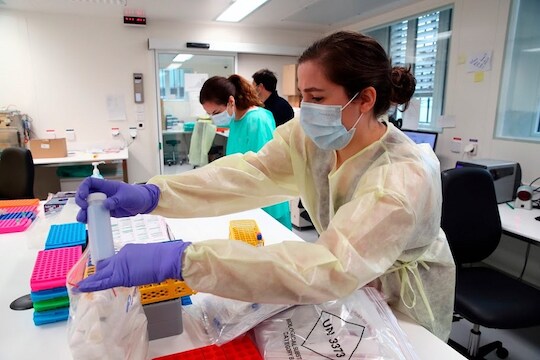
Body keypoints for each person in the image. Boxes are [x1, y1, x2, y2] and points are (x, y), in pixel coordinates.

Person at [75, 31, 455, 341]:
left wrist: (183, 260)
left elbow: (331, 266)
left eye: (317, 97)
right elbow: (248, 173)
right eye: (302, 96)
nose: (306, 109)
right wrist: (153, 194)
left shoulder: (402, 176)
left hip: (402, 302)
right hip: (353, 285)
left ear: (365, 99)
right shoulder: (313, 140)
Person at [198, 74, 291, 229]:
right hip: (246, 198)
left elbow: (265, 168)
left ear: (231, 101)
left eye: (215, 113)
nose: (213, 118)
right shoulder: (235, 121)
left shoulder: (258, 120)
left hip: (267, 203)